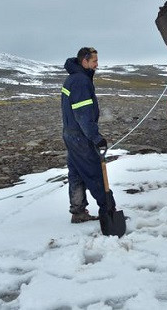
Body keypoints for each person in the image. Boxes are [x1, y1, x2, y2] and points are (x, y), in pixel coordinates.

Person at [61, 47, 114, 223]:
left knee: (76, 173)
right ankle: (109, 212)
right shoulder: (80, 82)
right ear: (84, 61)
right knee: (94, 173)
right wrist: (96, 138)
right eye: (94, 61)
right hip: (80, 136)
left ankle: (78, 211)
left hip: (71, 134)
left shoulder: (74, 78)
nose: (97, 65)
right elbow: (83, 115)